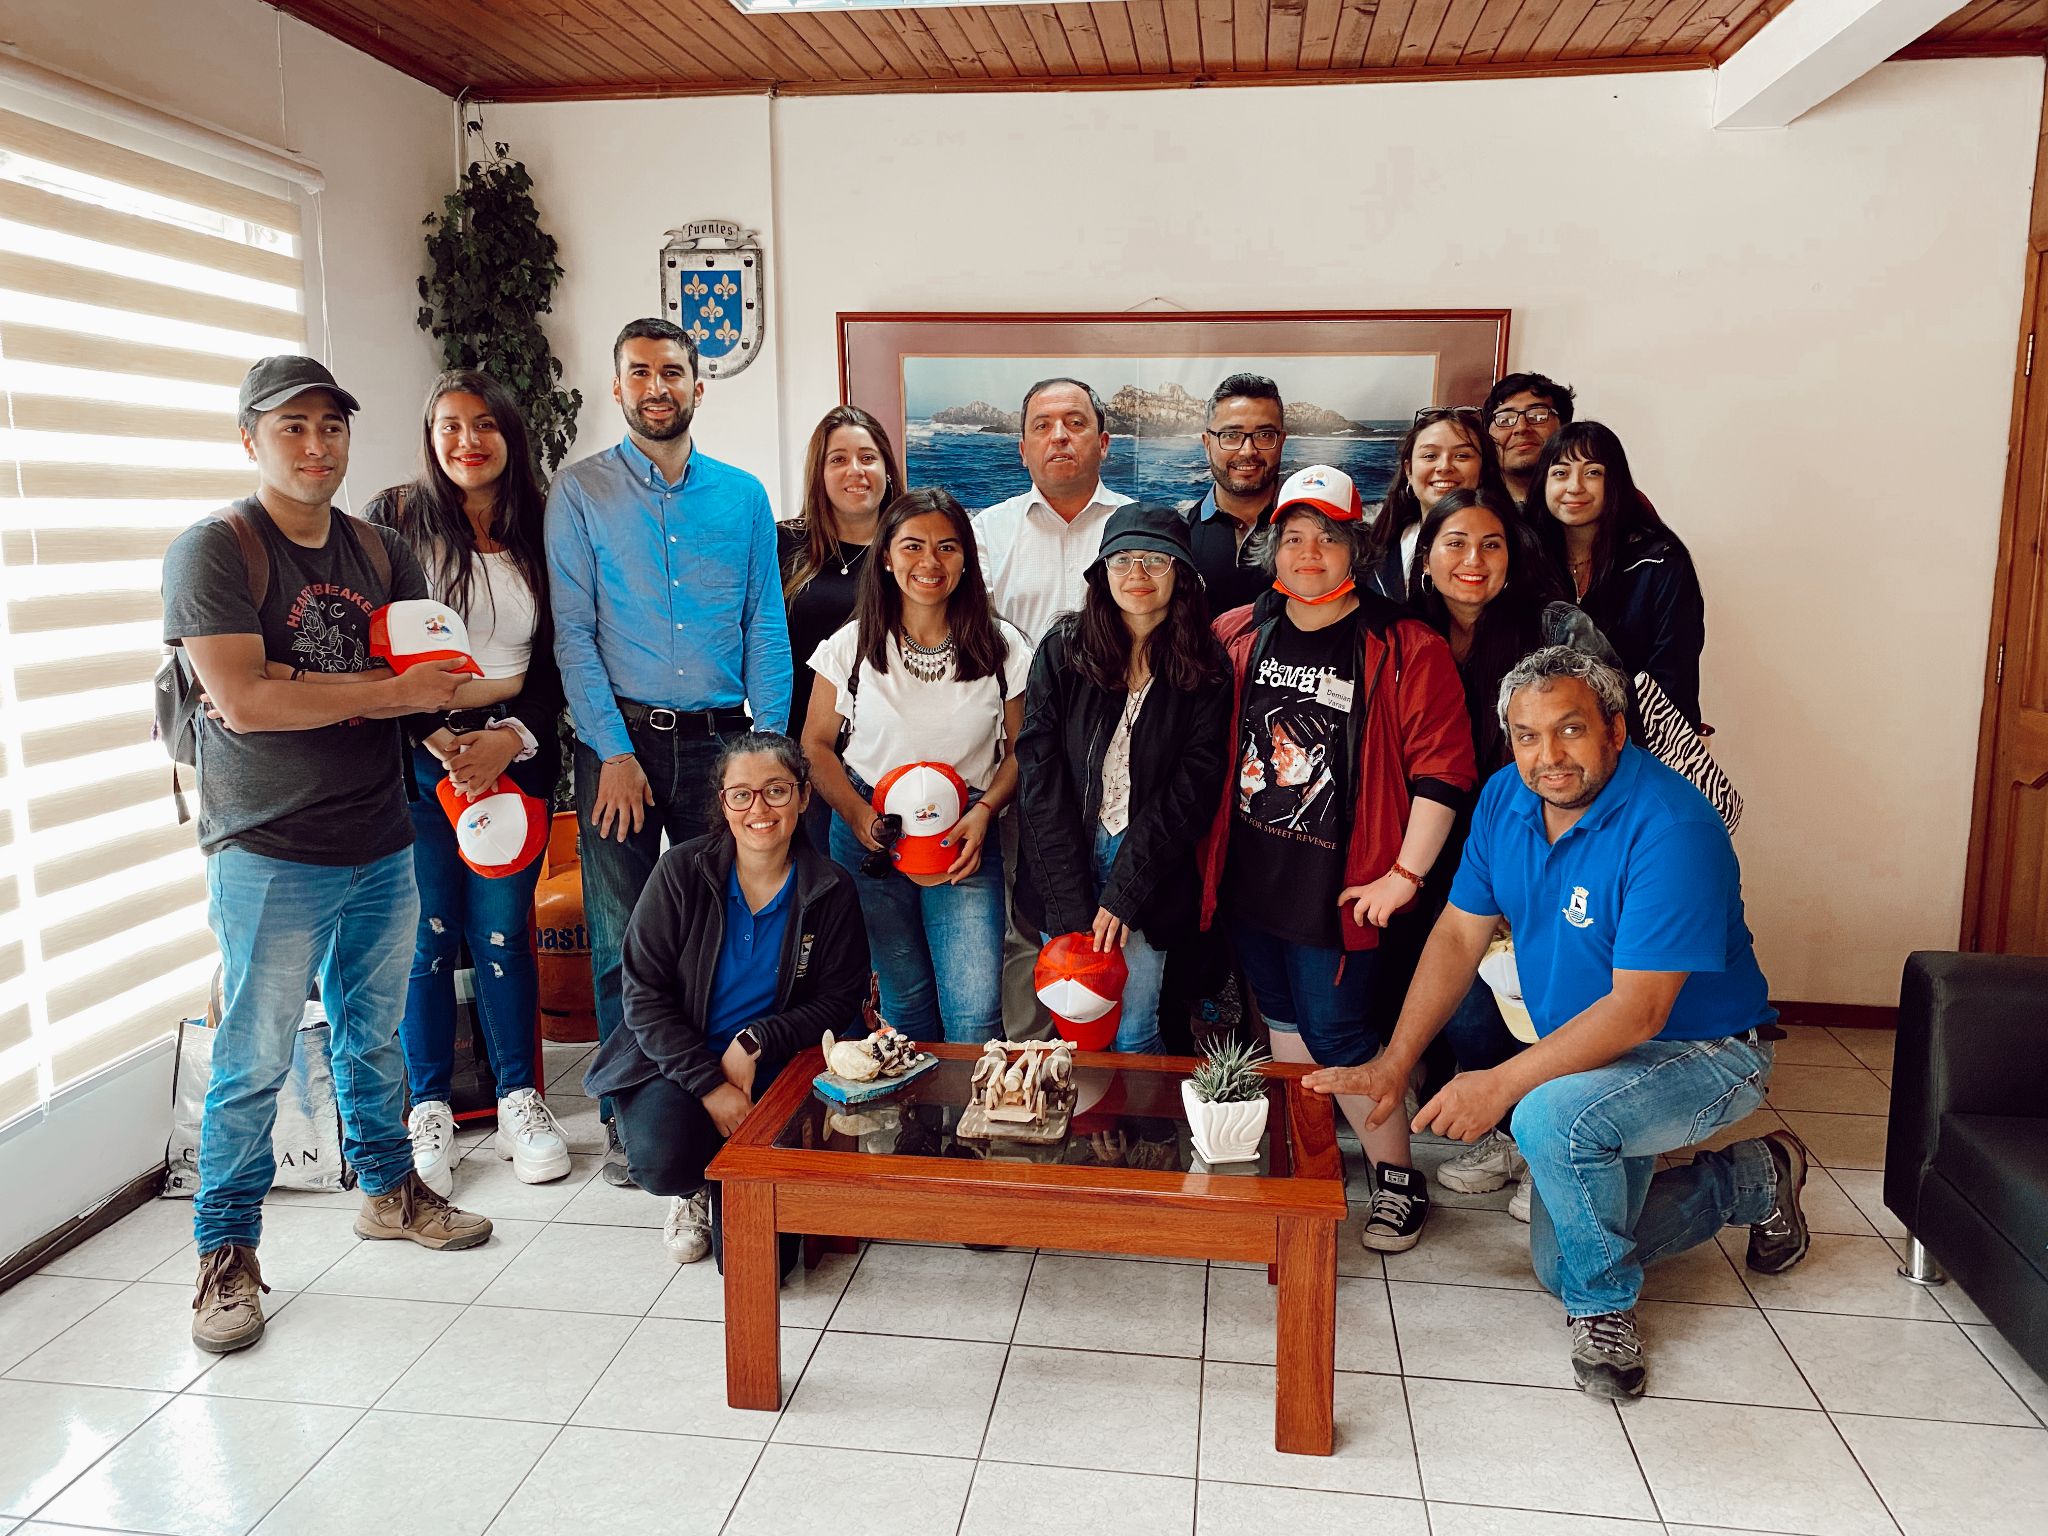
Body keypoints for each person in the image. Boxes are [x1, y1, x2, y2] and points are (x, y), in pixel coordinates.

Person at [1307, 646, 1809, 1400]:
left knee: (1549, 1116)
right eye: (1526, 735)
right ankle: (1753, 1179)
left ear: (1614, 729)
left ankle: (1604, 1314)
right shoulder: (1506, 797)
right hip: (1596, 1052)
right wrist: (1395, 1058)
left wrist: (1500, 1084)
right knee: (1555, 1259)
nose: (1548, 757)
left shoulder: (1673, 826)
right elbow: (1456, 933)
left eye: (1570, 731)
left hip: (1703, 1052)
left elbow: (1640, 1010)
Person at [163, 356, 491, 1354]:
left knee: (375, 1032)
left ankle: (389, 1190)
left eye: (331, 427)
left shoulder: (380, 547)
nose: (316, 446)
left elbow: (413, 677)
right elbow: (245, 702)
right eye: (293, 428)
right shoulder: (214, 550)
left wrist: (451, 741)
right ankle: (226, 1256)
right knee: (253, 1059)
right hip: (267, 846)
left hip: (379, 833)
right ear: (251, 441)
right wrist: (395, 700)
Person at [1199, 466, 1476, 1252]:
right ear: (1272, 548)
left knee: (1344, 1035)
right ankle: (1316, 1158)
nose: (1308, 552)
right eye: (1293, 537)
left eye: (1326, 536)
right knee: (1283, 1027)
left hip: (1345, 888)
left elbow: (1443, 769)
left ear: (1355, 544)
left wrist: (1405, 874)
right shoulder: (1236, 633)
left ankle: (1397, 1178)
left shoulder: (1403, 644)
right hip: (1254, 881)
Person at [547, 318, 791, 1189]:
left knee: (720, 932)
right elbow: (573, 635)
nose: (658, 387)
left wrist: (772, 748)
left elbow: (765, 620)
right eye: (640, 373)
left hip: (725, 743)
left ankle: (719, 1098)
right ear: (617, 389)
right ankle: (628, 1116)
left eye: (674, 372)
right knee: (622, 941)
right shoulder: (578, 494)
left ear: (699, 385)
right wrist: (611, 750)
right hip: (620, 746)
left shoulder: (743, 496)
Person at [364, 368, 570, 1197]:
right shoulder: (395, 523)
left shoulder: (546, 526)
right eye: (448, 425)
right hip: (422, 759)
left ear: (510, 436)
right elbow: (378, 651)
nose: (467, 440)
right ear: (429, 436)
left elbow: (563, 654)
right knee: (428, 935)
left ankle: (522, 1097)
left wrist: (509, 738)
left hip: (514, 756)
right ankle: (428, 1109)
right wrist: (442, 739)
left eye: (483, 424)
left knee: (501, 934)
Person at [582, 732, 869, 1263]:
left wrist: (759, 1037)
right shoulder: (681, 873)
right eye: (742, 794)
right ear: (724, 803)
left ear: (804, 797)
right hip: (677, 1062)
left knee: (761, 1267)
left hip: (774, 1069)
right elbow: (642, 993)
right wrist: (711, 1085)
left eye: (776, 791)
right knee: (660, 1158)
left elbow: (840, 997)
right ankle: (695, 1187)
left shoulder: (830, 886)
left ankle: (734, 1177)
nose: (758, 809)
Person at [1403, 487, 1597, 1218]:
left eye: (1491, 545)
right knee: (1467, 1008)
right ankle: (1508, 1127)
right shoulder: (1402, 630)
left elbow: (1591, 748)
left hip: (1534, 843)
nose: (1472, 561)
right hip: (1435, 847)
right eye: (1454, 544)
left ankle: (1543, 1143)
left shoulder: (1550, 637)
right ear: (1426, 560)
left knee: (1536, 999)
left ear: (1513, 560)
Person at [801, 488, 1028, 1043]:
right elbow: (815, 746)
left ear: (967, 558)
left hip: (964, 838)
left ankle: (972, 1131)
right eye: (912, 546)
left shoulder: (1004, 649)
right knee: (904, 1003)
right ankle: (920, 1130)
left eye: (947, 547)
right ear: (885, 555)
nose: (930, 563)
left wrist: (987, 813)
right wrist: (856, 816)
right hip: (870, 836)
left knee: (975, 1014)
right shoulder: (848, 647)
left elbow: (1023, 750)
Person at [1015, 504, 1232, 1054]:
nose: (1136, 575)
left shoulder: (1205, 665)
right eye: (1122, 560)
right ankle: (1089, 1133)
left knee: (1135, 1028)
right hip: (1062, 856)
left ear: (1180, 573)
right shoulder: (1064, 650)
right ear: (1102, 572)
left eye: (1154, 561)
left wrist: (1124, 894)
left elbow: (1192, 790)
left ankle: (1141, 1138)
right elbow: (1038, 776)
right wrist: (1068, 906)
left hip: (1149, 862)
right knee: (1078, 1021)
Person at [976, 378, 1132, 1038]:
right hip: (1025, 767)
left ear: (1103, 441)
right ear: (1022, 448)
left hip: (1124, 772)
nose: (1059, 436)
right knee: (1026, 921)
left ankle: (1118, 1088)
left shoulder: (1137, 526)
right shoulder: (988, 533)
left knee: (1121, 926)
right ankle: (1032, 1070)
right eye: (1043, 425)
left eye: (1074, 422)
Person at [779, 406, 903, 860]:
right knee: (818, 906)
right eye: (839, 459)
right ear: (819, 472)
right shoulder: (785, 544)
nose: (856, 471)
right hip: (805, 757)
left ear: (888, 469)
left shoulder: (912, 550)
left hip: (893, 759)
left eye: (868, 457)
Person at [1532, 421, 1707, 728]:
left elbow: (1675, 677)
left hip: (1639, 741)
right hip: (1546, 738)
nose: (1575, 486)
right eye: (1560, 473)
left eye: (1593, 472)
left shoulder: (1660, 562)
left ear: (1615, 483)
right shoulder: (1526, 561)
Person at [1364, 406, 1514, 602]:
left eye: (1462, 456)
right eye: (1430, 456)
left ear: (1483, 468)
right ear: (1408, 470)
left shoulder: (1514, 545)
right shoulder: (1376, 549)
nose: (1444, 467)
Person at [1182, 374, 1287, 613]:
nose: (1247, 451)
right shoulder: (1180, 535)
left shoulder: (1313, 536)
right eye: (1231, 436)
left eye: (1264, 435)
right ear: (1207, 444)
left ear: (1281, 441)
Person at [1482, 372, 1574, 511]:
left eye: (1537, 416)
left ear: (1564, 427)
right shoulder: (1471, 509)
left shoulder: (1585, 503)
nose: (1521, 428)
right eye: (1505, 420)